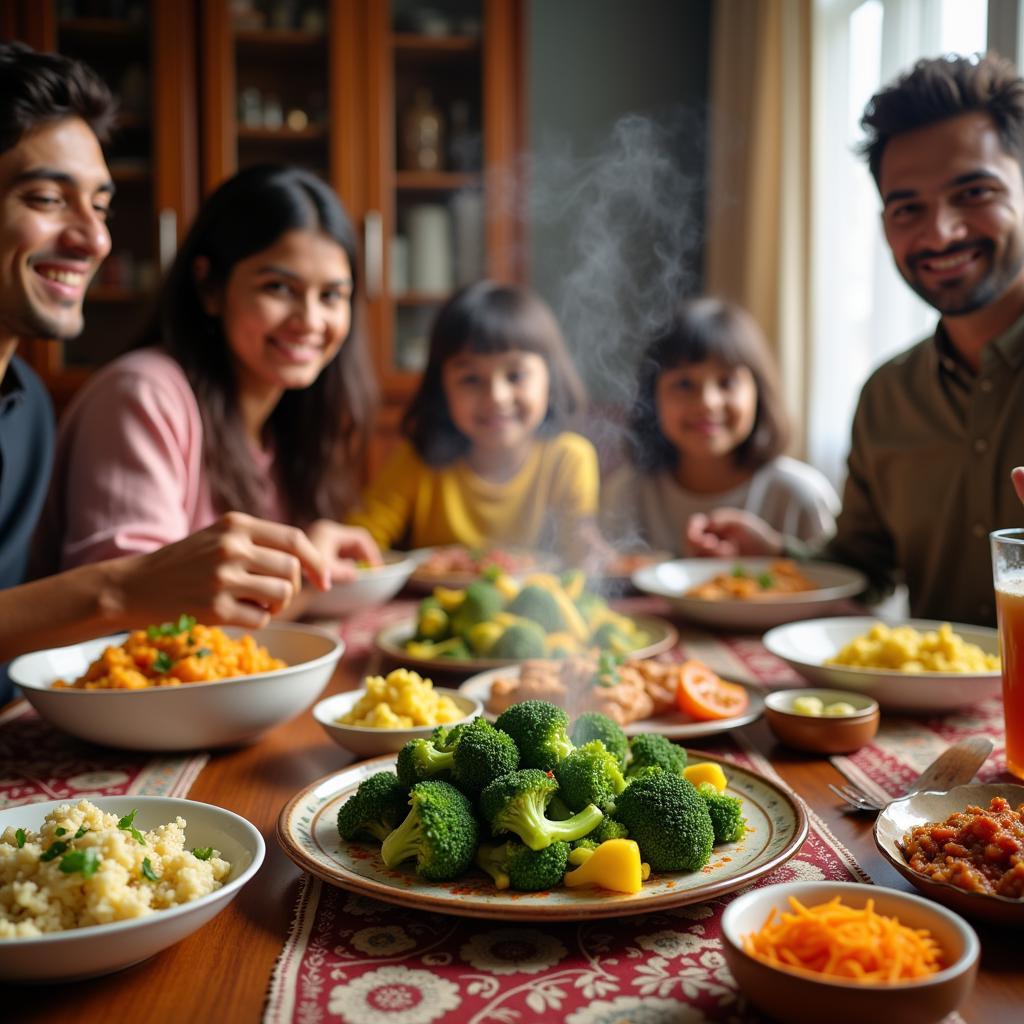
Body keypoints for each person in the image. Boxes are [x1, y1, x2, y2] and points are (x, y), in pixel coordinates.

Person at [0, 42, 332, 678]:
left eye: (99, 206)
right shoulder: (142, 390)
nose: (95, 238)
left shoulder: (28, 407)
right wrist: (126, 588)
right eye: (46, 198)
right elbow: (124, 623)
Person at [687, 53, 1024, 626]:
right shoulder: (888, 395)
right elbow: (862, 570)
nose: (940, 232)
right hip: (924, 711)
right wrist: (773, 557)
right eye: (907, 208)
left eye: (973, 194)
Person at [34, 164, 380, 586]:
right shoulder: (142, 394)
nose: (309, 320)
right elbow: (132, 612)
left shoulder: (292, 420)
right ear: (210, 288)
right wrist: (306, 578)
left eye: (331, 296)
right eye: (278, 288)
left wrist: (309, 551)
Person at [346, 279, 598, 562]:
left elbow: (580, 553)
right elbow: (361, 541)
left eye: (515, 376)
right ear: (441, 389)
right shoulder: (418, 460)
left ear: (551, 379)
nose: (496, 397)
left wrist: (590, 549)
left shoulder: (567, 458)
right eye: (471, 379)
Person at [600, 298, 838, 555]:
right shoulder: (628, 495)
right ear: (651, 399)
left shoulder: (799, 497)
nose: (707, 403)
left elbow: (836, 585)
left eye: (727, 383)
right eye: (684, 385)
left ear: (759, 392)